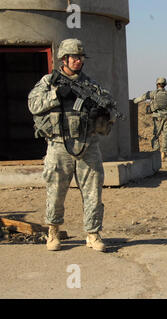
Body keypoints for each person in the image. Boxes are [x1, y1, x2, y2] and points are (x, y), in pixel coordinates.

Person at [28, 38, 118, 252]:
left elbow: (111, 110)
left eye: (80, 57)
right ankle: (53, 232)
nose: (78, 61)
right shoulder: (49, 82)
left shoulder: (91, 85)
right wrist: (56, 95)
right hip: (59, 145)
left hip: (88, 144)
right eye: (74, 57)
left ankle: (93, 234)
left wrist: (103, 114)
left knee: (93, 192)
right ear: (64, 59)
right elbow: (33, 104)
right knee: (56, 191)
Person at [133, 77, 167, 162]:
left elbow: (143, 97)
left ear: (157, 84)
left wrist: (134, 101)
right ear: (165, 85)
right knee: (166, 135)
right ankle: (163, 154)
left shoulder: (153, 93)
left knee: (156, 135)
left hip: (157, 117)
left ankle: (156, 153)